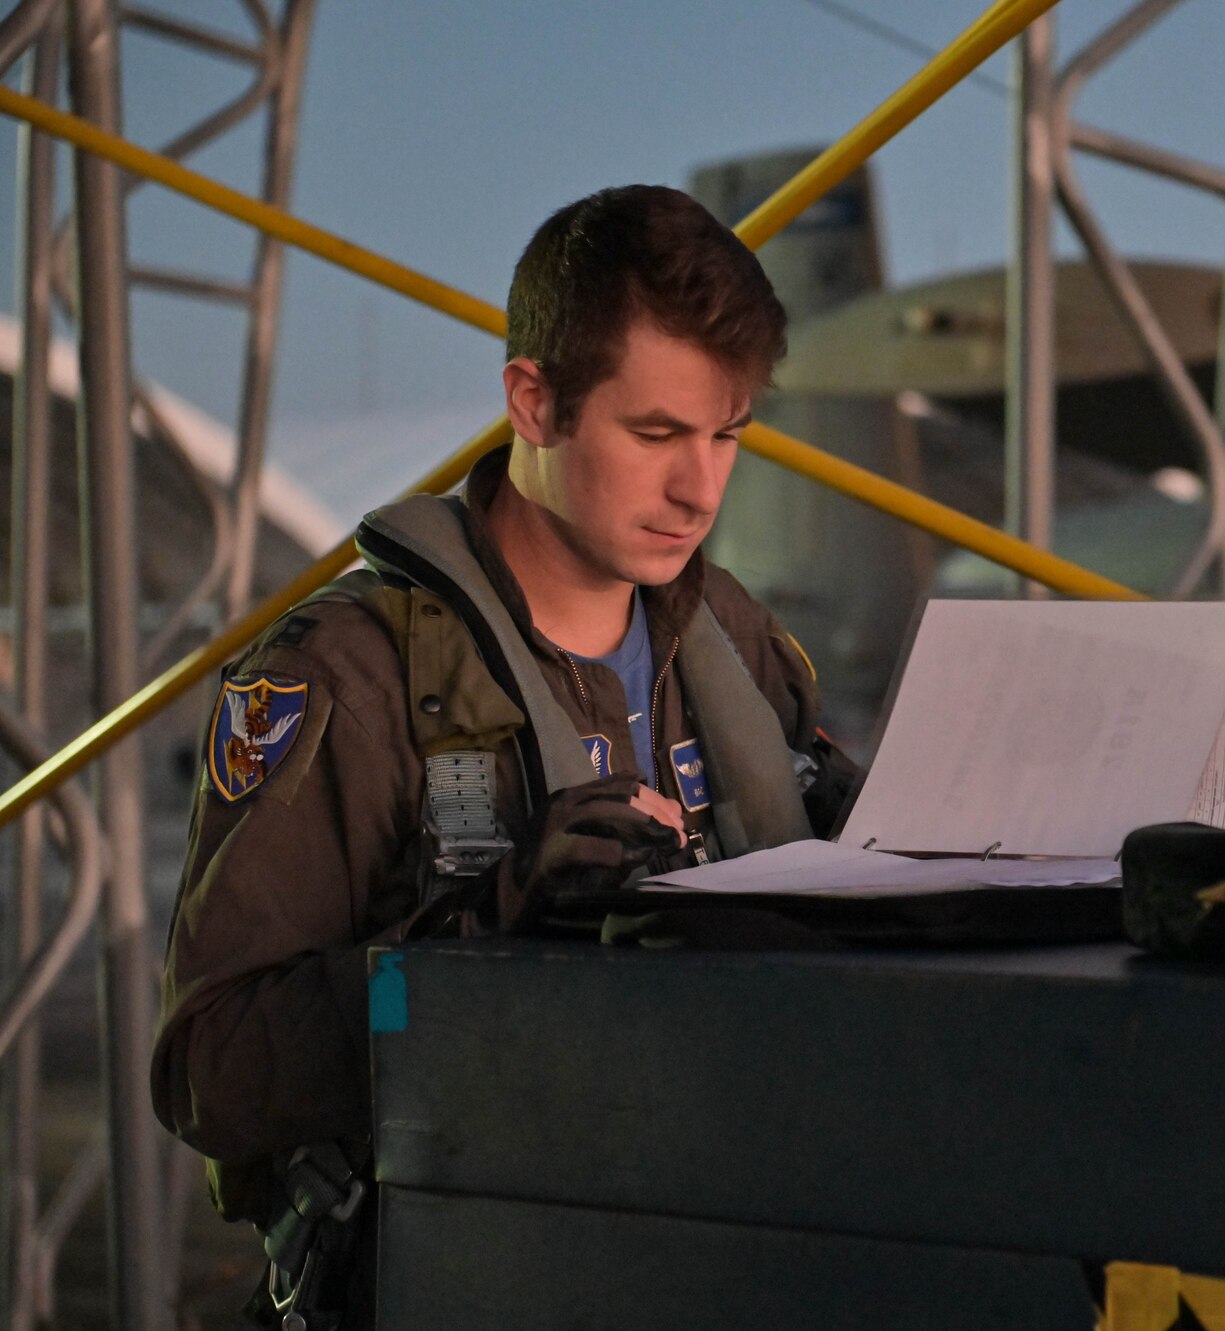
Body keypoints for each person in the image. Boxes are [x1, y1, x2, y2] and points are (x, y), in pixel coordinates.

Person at [152, 184, 857, 1325]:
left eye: (726, 434)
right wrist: (481, 946)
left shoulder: (728, 638)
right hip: (456, 1273)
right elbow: (211, 1068)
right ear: (533, 401)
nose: (700, 488)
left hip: (718, 1249)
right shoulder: (350, 673)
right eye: (655, 433)